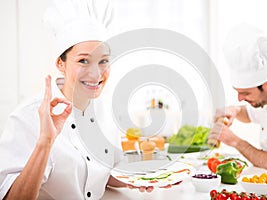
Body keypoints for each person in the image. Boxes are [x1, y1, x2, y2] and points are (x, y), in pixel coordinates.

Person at [0, 0, 155, 199]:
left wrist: (136, 179)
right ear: (60, 63)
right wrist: (45, 142)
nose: (96, 73)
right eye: (83, 60)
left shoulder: (107, 110)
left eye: (104, 61)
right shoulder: (28, 116)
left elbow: (101, 173)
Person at [209, 24, 267, 182]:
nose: (239, 98)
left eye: (245, 93)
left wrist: (234, 141)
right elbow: (250, 114)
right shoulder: (266, 97)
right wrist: (235, 110)